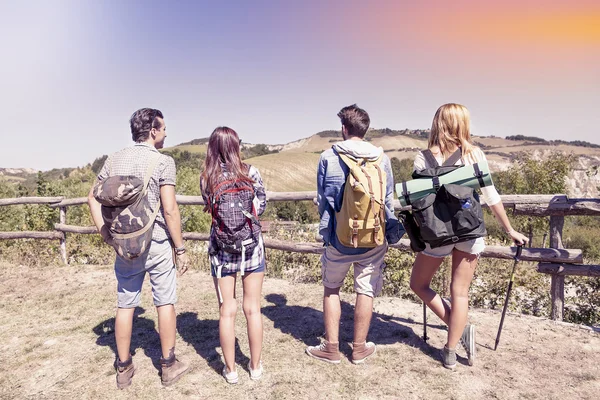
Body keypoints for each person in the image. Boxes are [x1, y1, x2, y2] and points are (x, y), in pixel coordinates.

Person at [409, 103, 528, 370]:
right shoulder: (474, 155)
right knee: (459, 292)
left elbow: (417, 201)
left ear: (437, 123)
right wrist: (510, 230)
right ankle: (451, 350)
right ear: (463, 124)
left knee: (418, 284)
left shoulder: (422, 158)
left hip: (436, 234)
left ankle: (458, 329)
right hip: (469, 230)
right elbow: (491, 197)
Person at [88, 108, 190, 389]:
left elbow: (92, 197)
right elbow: (169, 210)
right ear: (153, 130)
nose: (167, 132)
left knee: (126, 303)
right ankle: (168, 365)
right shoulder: (163, 162)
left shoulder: (114, 159)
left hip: (124, 243)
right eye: (164, 128)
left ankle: (123, 368)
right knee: (165, 301)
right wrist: (179, 248)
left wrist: (106, 233)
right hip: (156, 241)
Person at [306, 104, 403, 364]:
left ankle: (331, 348)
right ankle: (359, 348)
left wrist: (327, 225)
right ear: (365, 129)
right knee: (365, 291)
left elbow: (323, 201)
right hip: (373, 237)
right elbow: (388, 201)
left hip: (339, 238)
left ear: (344, 129)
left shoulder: (328, 156)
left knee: (332, 290)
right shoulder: (381, 158)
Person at [200, 127, 267, 384]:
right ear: (236, 146)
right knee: (252, 309)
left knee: (227, 310)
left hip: (221, 249)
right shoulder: (250, 172)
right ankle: (256, 365)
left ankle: (230, 370)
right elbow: (261, 204)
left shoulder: (207, 177)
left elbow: (208, 204)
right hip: (252, 247)